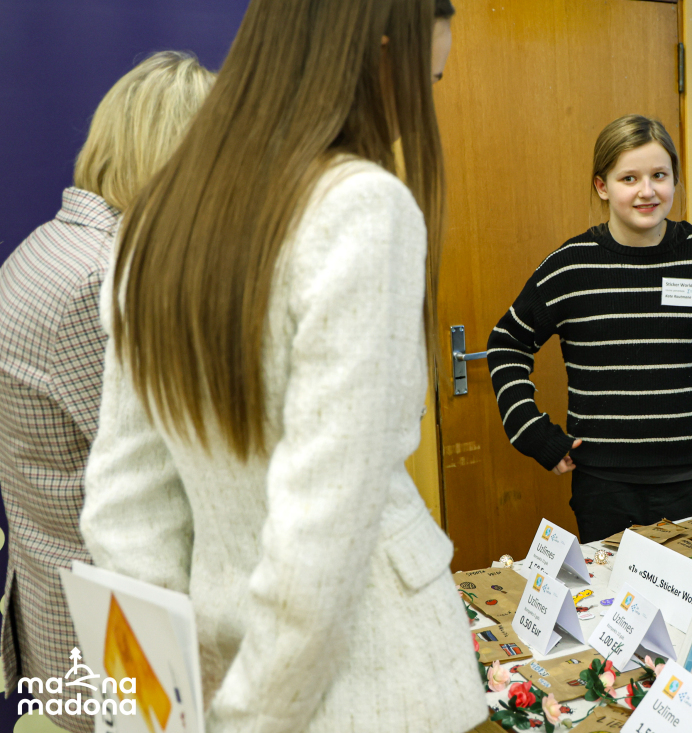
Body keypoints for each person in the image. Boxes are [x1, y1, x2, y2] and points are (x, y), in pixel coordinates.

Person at [80, 1, 484, 731]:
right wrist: (247, 721)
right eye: (425, 81)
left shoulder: (156, 221)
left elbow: (124, 512)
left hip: (223, 663)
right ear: (379, 56)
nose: (418, 114)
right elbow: (321, 536)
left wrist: (161, 708)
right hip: (371, 680)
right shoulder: (360, 207)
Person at [0, 51, 214, 731]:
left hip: (63, 610)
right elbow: (164, 482)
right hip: (119, 642)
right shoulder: (104, 280)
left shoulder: (49, 247)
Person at [486, 115, 692, 543]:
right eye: (629, 178)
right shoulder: (570, 267)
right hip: (605, 489)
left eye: (659, 175)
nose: (647, 191)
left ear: (674, 179)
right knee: (611, 588)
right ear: (602, 186)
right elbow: (506, 344)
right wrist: (531, 432)